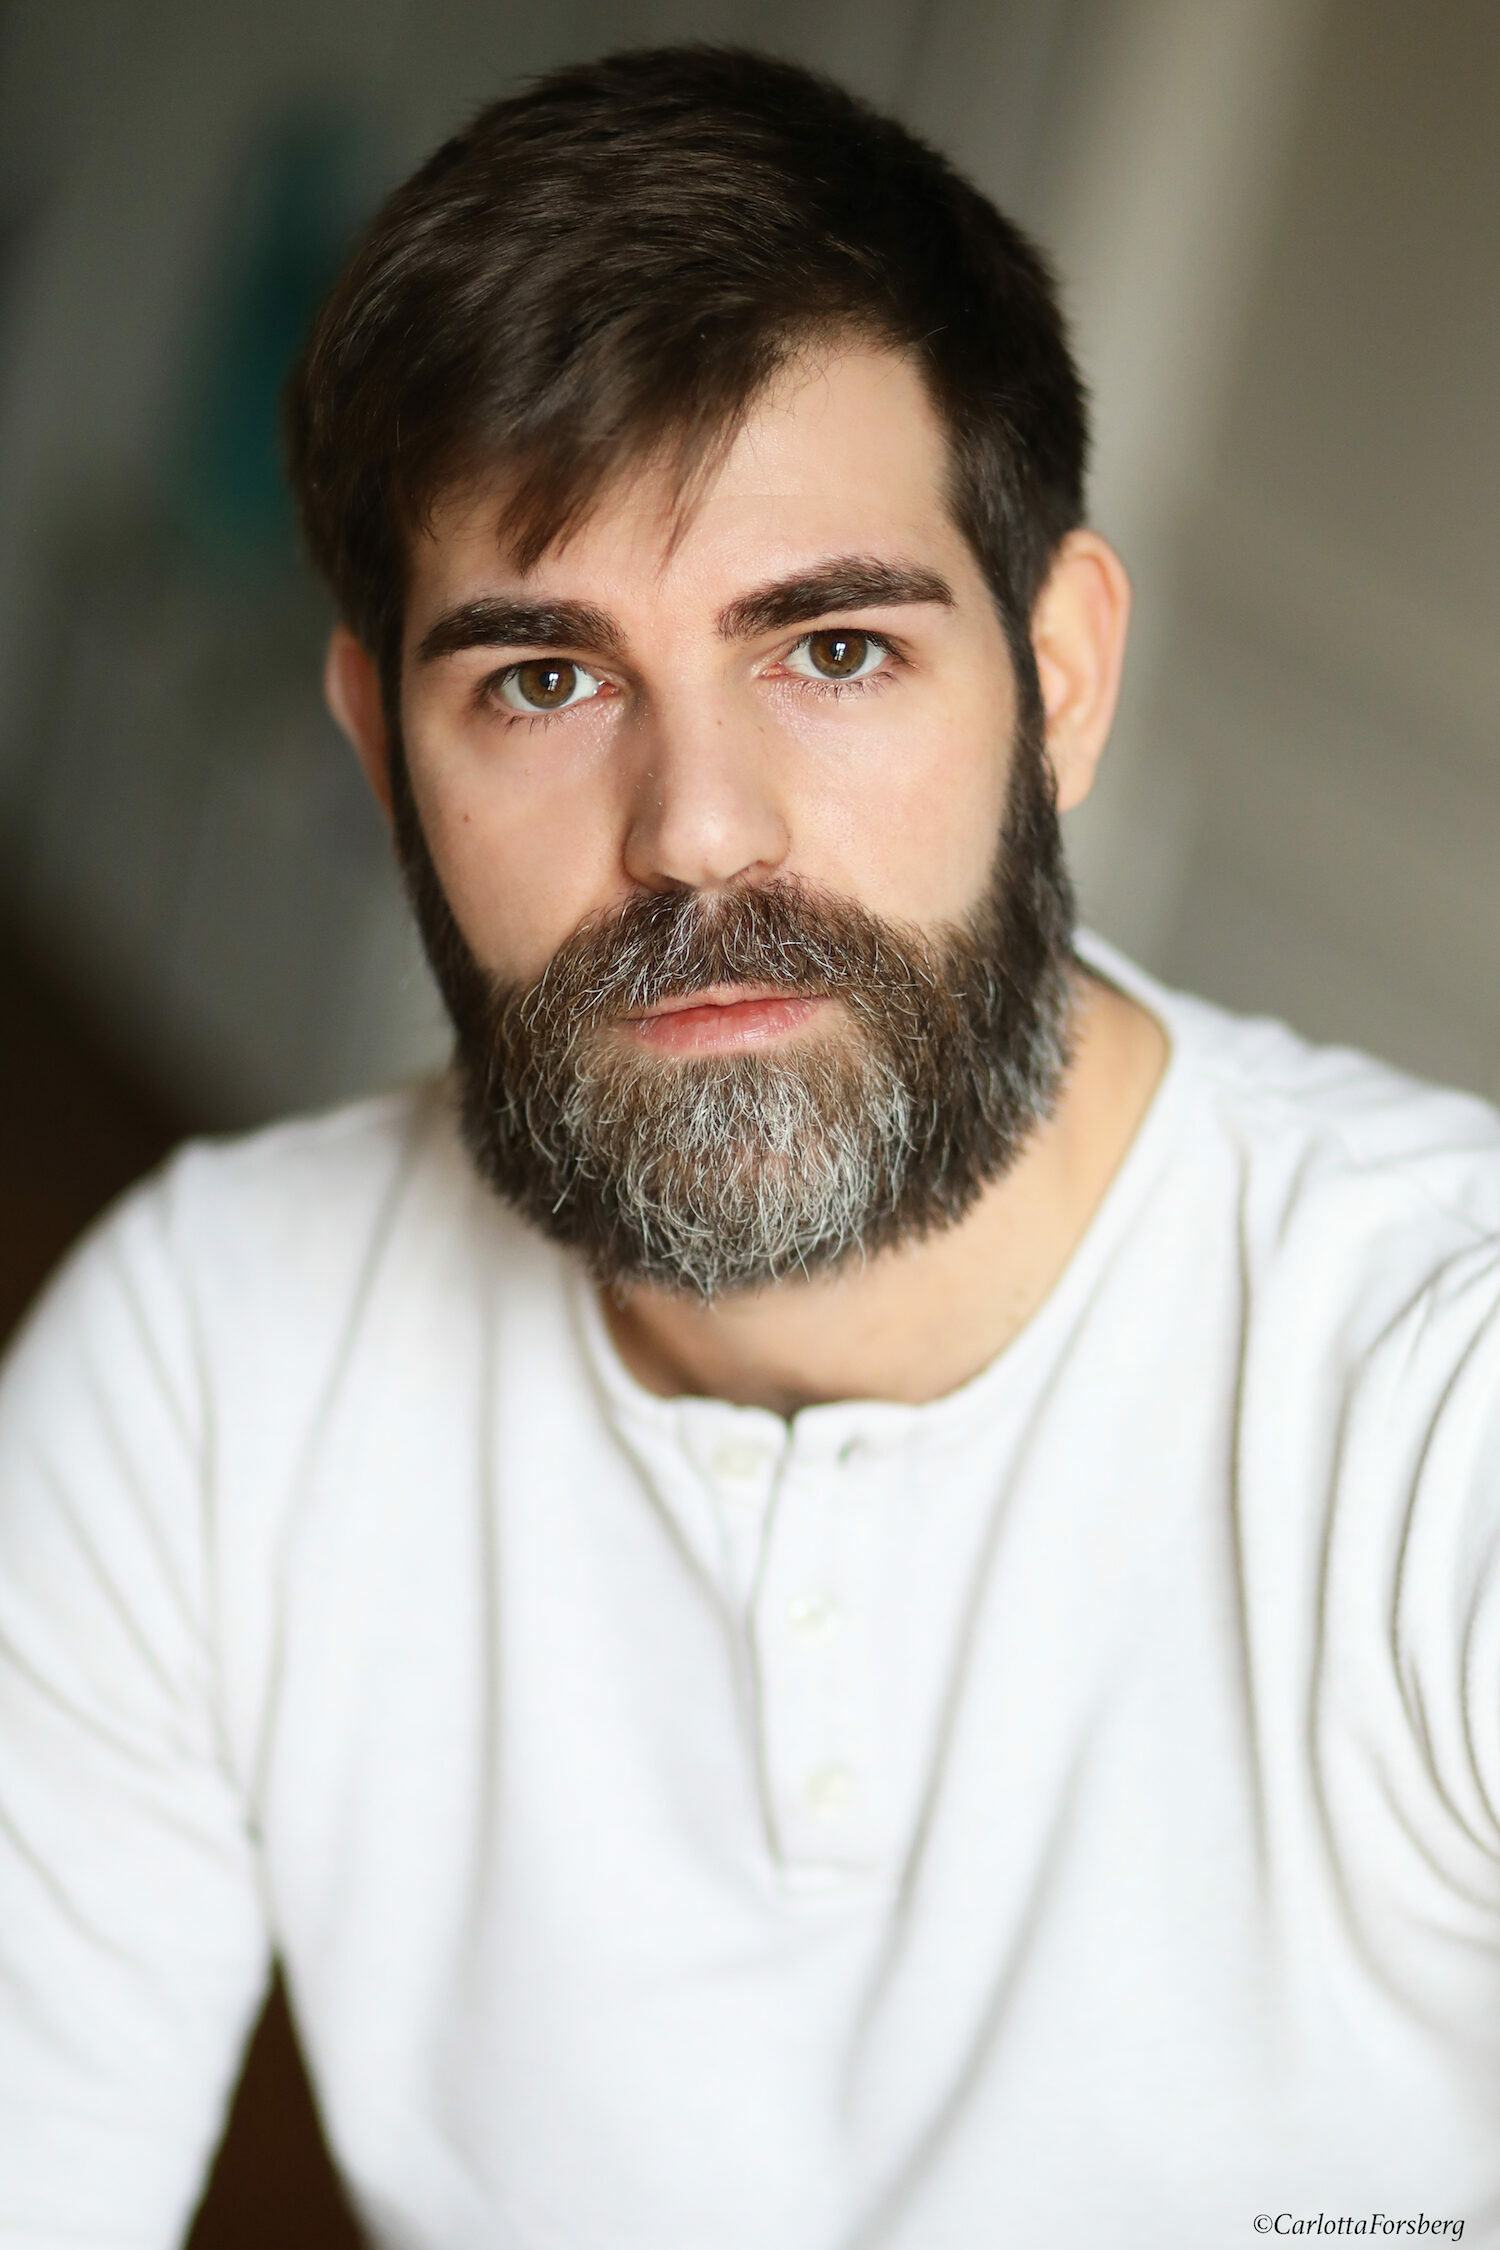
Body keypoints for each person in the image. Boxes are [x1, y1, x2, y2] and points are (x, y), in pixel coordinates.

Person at [0, 42, 1494, 2249]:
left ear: (1063, 680)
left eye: (835, 647)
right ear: (383, 756)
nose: (698, 827)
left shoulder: (1440, 1412)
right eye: (542, 680)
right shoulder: (199, 1379)